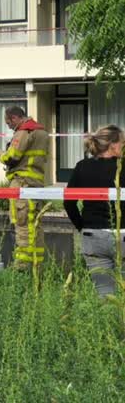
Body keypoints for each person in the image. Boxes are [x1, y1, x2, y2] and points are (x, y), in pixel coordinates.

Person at [65, 125, 125, 296]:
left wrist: (82, 227)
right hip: (123, 234)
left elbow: (69, 202)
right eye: (122, 142)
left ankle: (106, 314)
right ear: (113, 145)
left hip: (92, 236)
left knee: (104, 294)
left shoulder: (82, 166)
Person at [0, 105, 49, 269]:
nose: (9, 126)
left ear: (14, 118)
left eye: (8, 122)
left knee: (22, 224)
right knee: (36, 225)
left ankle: (23, 266)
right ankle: (37, 264)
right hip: (37, 184)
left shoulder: (23, 131)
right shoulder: (42, 132)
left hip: (22, 183)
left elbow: (11, 158)